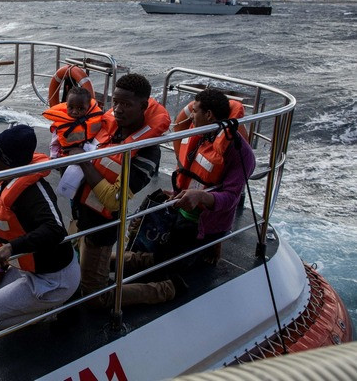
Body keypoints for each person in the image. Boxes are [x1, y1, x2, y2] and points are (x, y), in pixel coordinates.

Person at [114, 88, 257, 305]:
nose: (191, 116)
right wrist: (179, 194)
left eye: (195, 111)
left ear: (209, 115)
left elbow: (230, 198)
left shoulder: (239, 152)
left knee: (166, 269)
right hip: (178, 210)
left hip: (201, 225)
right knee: (156, 252)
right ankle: (117, 262)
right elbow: (190, 174)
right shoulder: (200, 134)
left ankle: (115, 297)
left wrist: (200, 197)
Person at [67, 73, 170, 308]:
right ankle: (142, 261)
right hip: (80, 214)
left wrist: (84, 161)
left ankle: (164, 289)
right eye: (115, 102)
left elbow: (114, 200)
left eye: (126, 104)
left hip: (101, 227)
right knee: (78, 261)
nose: (118, 109)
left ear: (143, 106)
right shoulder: (109, 127)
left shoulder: (147, 152)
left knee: (94, 297)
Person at [0, 124, 80, 330]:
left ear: (8, 163)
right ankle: (41, 302)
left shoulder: (33, 192)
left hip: (54, 278)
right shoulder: (4, 183)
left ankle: (52, 306)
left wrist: (10, 248)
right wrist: (1, 268)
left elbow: (55, 230)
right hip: (29, 269)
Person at [42, 86, 104, 158]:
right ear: (66, 105)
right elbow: (54, 144)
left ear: (89, 106)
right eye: (71, 108)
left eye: (80, 108)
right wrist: (54, 157)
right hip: (68, 154)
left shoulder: (95, 117)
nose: (74, 112)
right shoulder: (61, 125)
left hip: (90, 149)